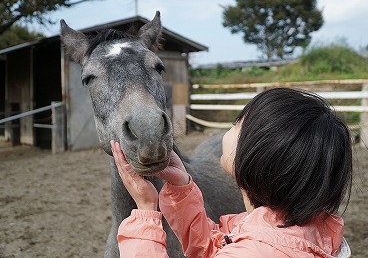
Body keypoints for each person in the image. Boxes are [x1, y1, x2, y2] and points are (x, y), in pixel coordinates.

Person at [111, 87, 353, 258]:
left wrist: (145, 212)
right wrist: (181, 188)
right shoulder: (289, 229)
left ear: (255, 156)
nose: (230, 128)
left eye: (237, 124)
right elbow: (215, 247)